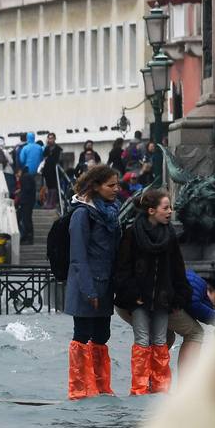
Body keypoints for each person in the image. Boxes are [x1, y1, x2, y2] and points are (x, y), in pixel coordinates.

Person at [112, 188, 189, 395]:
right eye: (166, 208)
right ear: (151, 211)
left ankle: (160, 388)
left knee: (160, 341)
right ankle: (139, 388)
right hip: (138, 299)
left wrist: (178, 296)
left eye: (170, 208)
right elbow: (123, 267)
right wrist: (133, 294)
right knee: (142, 340)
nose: (170, 211)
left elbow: (177, 268)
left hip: (163, 299)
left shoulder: (170, 235)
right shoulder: (132, 233)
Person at [63, 164, 122, 400]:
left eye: (117, 184)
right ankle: (78, 389)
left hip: (105, 284)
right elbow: (78, 256)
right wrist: (89, 290)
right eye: (111, 185)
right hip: (86, 286)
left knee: (102, 335)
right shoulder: (81, 214)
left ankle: (100, 387)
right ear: (96, 187)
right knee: (82, 334)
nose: (116, 189)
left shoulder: (112, 212)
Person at [41, 133, 63, 211]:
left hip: (54, 170)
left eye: (52, 138)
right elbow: (44, 158)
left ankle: (52, 203)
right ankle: (48, 202)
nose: (50, 140)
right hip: (47, 170)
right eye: (49, 138)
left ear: (54, 139)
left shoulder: (58, 149)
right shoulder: (46, 148)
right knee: (48, 186)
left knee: (53, 186)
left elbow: (60, 160)